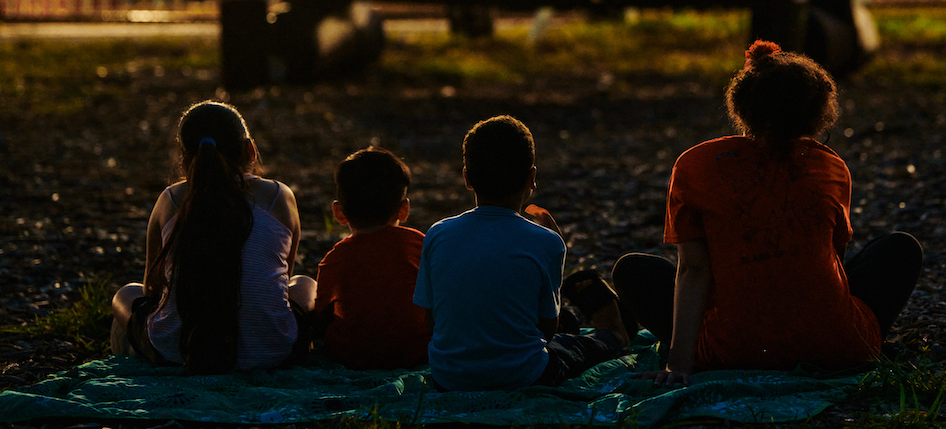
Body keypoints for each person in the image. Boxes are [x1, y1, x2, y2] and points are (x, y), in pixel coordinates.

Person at [613, 40, 923, 384]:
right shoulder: (831, 166)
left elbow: (694, 270)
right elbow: (834, 257)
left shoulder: (695, 164)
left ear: (742, 103)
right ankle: (854, 340)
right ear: (819, 110)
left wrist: (679, 367)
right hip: (839, 347)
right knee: (899, 248)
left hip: (729, 350)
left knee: (634, 270)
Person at [413, 114, 634, 390]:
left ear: (467, 178)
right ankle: (613, 333)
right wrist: (557, 245)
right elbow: (547, 330)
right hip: (523, 375)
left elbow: (430, 320)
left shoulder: (437, 233)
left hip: (448, 377)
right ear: (532, 177)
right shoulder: (545, 241)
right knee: (578, 346)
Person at [110, 100, 316, 374]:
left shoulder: (171, 199)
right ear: (250, 150)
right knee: (303, 283)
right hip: (273, 350)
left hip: (179, 350)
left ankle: (136, 357)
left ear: (184, 160)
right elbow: (283, 275)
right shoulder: (279, 196)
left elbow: (152, 288)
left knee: (125, 295)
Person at [313, 147, 431, 369]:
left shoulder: (334, 259)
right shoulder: (420, 245)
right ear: (404, 209)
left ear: (339, 213)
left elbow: (321, 315)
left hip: (353, 357)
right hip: (418, 353)